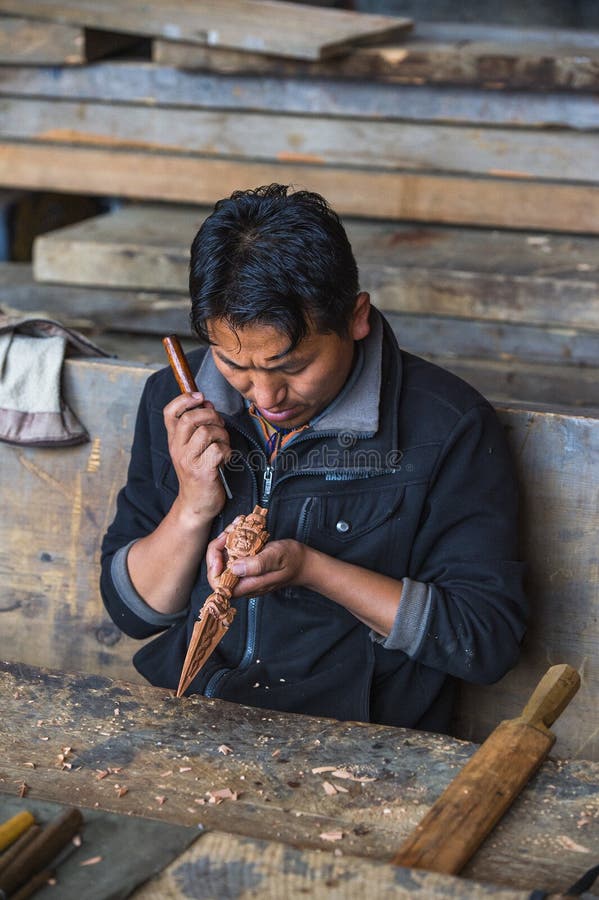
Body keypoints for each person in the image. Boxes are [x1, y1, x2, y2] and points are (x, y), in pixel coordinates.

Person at [100, 183, 527, 733]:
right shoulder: (179, 405)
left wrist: (312, 569)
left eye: (292, 366)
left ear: (355, 318)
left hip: (366, 742)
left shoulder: (445, 426)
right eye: (236, 365)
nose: (265, 397)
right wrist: (192, 504)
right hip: (198, 721)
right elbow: (133, 613)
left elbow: (483, 641)